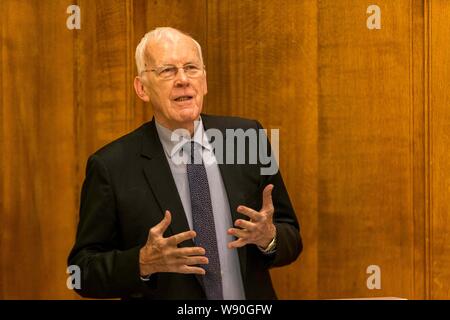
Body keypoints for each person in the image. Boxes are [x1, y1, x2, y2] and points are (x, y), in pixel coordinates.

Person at [68, 27, 302, 300]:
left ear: (204, 81)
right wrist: (142, 262)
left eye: (191, 68)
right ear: (142, 88)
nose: (182, 80)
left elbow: (291, 236)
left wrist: (269, 237)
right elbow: (81, 272)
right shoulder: (111, 166)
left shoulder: (247, 138)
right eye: (167, 70)